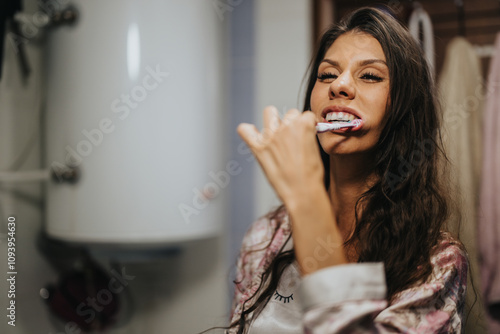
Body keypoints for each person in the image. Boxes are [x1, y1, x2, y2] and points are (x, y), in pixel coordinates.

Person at [228, 6, 468, 334]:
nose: (339, 85)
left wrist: (306, 198)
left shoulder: (436, 262)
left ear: (402, 108)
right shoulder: (264, 237)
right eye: (326, 74)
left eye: (369, 75)